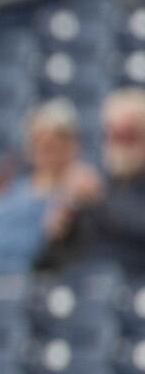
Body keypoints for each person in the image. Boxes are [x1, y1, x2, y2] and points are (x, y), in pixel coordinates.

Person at [0, 100, 101, 276]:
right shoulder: (13, 190)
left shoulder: (80, 187)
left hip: (31, 279)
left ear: (72, 146)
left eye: (56, 146)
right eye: (43, 146)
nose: (50, 155)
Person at [41, 88, 145, 274]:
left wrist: (98, 198)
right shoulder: (98, 191)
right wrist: (62, 229)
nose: (120, 146)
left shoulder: (99, 194)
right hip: (86, 288)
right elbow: (50, 263)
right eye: (113, 135)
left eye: (129, 136)